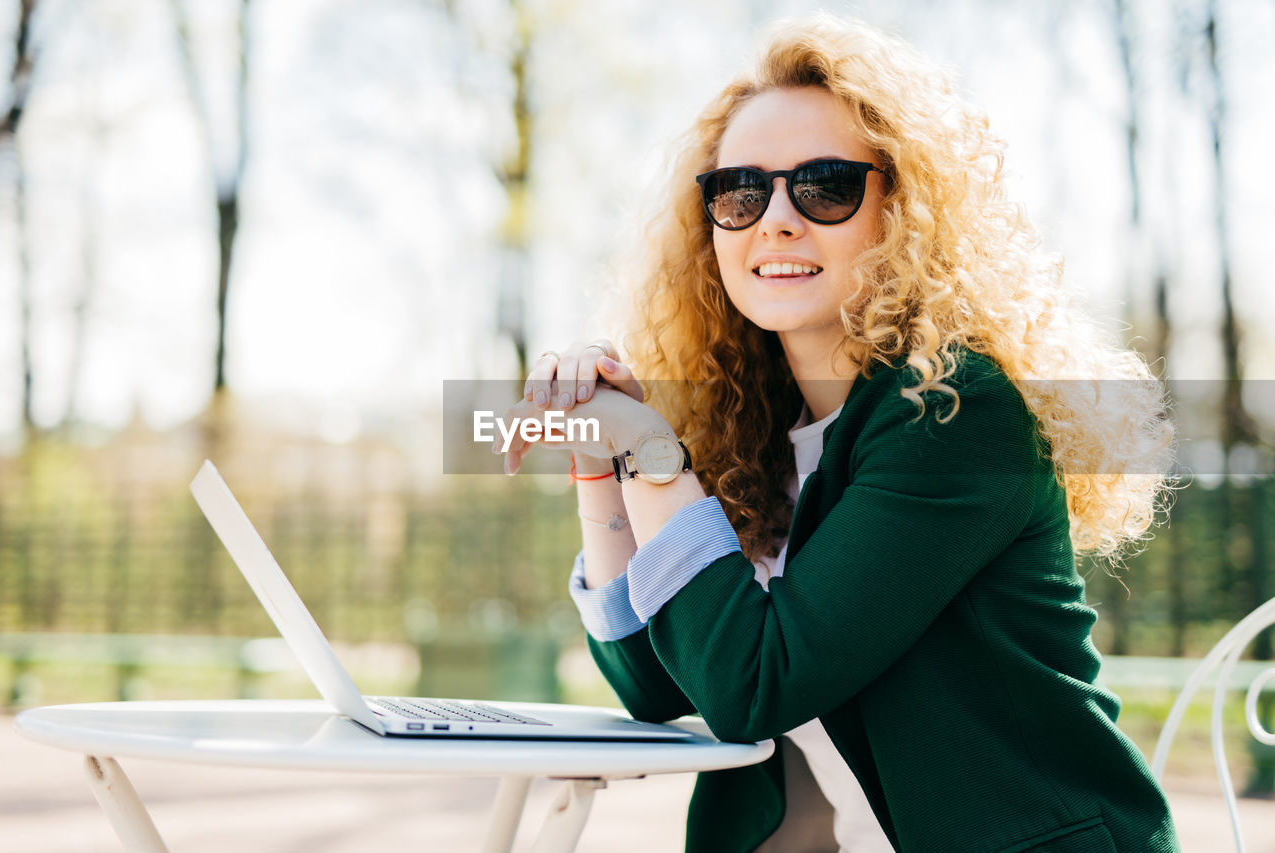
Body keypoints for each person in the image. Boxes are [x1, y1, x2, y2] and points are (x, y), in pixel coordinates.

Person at [496, 14, 1179, 853]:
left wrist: (651, 447)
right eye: (741, 192)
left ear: (902, 208)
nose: (775, 220)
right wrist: (605, 460)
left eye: (824, 185)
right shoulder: (749, 419)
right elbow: (654, 682)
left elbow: (754, 681)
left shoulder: (958, 411)